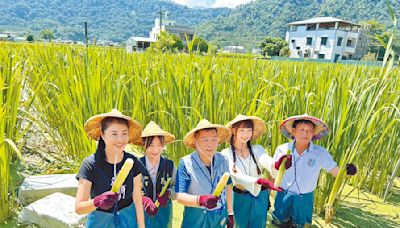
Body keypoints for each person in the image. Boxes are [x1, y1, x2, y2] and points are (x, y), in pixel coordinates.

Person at [272, 114, 357, 228]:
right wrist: (267, 193)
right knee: (279, 223)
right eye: (302, 129)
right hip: (283, 194)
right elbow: (273, 172)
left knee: (300, 225)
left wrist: (347, 171)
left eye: (309, 131)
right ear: (293, 130)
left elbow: (335, 171)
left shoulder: (320, 153)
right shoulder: (282, 149)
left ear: (313, 134)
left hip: (305, 199)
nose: (305, 133)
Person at [75, 109, 145, 228]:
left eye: (124, 133)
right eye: (114, 134)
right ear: (102, 134)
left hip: (128, 220)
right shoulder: (90, 164)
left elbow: (137, 200)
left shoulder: (133, 162)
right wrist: (98, 201)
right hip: (99, 221)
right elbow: (79, 208)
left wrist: (142, 226)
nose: (120, 139)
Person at [221, 114, 283, 228]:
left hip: (260, 196)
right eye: (242, 130)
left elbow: (266, 160)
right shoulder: (226, 154)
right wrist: (258, 181)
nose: (246, 135)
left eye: (249, 130)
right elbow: (234, 175)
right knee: (239, 225)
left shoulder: (257, 149)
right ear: (233, 130)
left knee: (259, 225)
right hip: (239, 197)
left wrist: (277, 164)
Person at [175, 119, 234, 228]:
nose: (210, 144)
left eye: (213, 140)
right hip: (196, 218)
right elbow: (179, 196)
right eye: (205, 140)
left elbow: (228, 186)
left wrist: (230, 213)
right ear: (195, 141)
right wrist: (200, 200)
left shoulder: (223, 160)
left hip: (219, 217)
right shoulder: (186, 163)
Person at [138, 121, 176, 228]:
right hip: (142, 216)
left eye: (159, 145)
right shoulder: (136, 165)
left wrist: (168, 193)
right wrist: (143, 200)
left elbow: (177, 189)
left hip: (164, 216)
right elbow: (130, 190)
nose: (155, 150)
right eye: (151, 145)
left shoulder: (170, 166)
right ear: (144, 145)